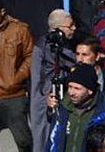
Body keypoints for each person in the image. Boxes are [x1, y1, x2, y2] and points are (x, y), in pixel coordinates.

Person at [46, 64, 105, 152]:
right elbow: (52, 141)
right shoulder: (62, 108)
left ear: (90, 90)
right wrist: (50, 111)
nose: (71, 92)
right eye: (70, 87)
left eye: (77, 88)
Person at [30, 10, 76, 152]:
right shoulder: (42, 47)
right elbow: (37, 81)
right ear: (59, 28)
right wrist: (44, 100)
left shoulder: (68, 44)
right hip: (45, 102)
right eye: (70, 26)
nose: (74, 28)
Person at [0, 0, 33, 152]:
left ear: (2, 12)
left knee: (23, 140)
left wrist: (18, 77)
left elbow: (30, 56)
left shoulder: (20, 29)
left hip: (14, 94)